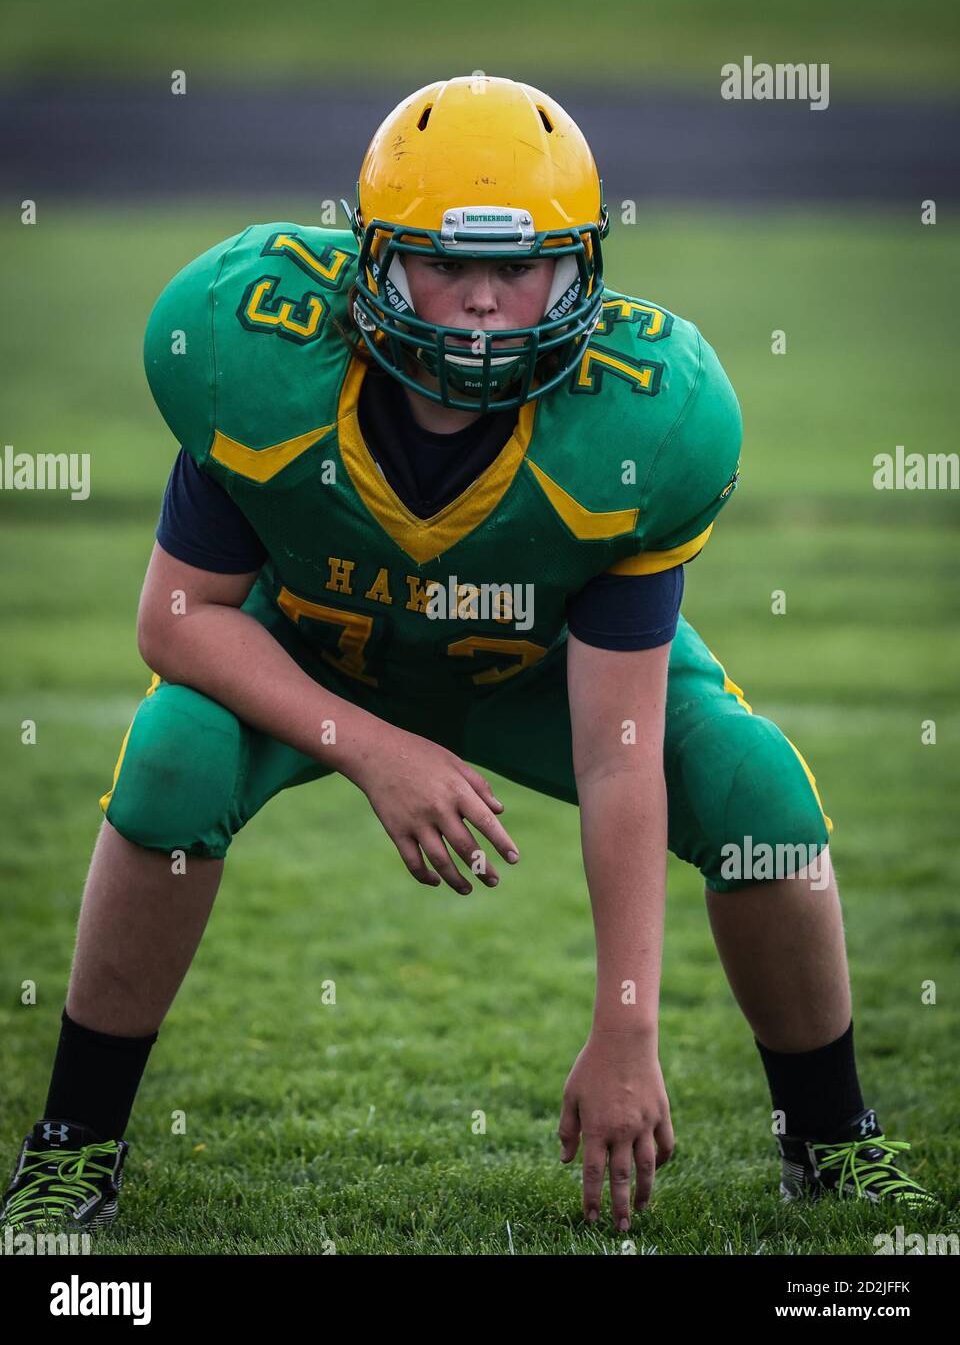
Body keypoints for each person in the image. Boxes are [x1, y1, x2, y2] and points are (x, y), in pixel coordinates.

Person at [1, 76, 935, 1237]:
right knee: (174, 750)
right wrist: (376, 751)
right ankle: (73, 1143)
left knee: (758, 790)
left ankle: (835, 1142)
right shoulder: (254, 354)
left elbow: (619, 750)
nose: (487, 305)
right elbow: (177, 620)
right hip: (320, 648)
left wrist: (626, 1025)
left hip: (537, 667)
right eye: (447, 265)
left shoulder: (647, 423)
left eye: (521, 266)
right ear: (375, 263)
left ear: (579, 268)